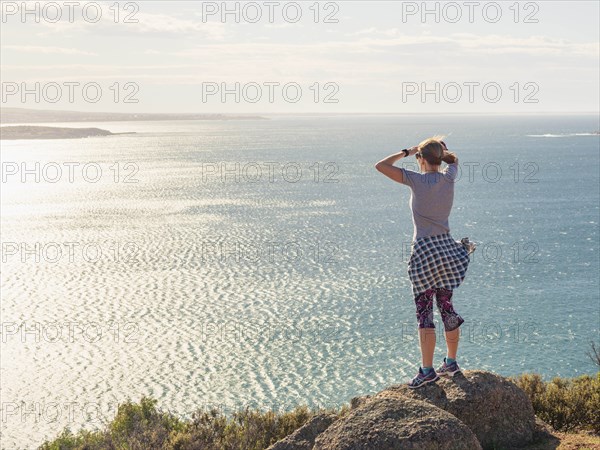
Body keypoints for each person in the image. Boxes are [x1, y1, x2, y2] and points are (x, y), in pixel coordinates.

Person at [375, 135, 476, 389]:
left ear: (420, 159)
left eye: (419, 156)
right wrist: (441, 150)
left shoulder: (415, 180)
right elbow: (453, 160)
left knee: (424, 312)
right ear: (439, 158)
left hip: (424, 252)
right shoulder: (449, 176)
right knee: (446, 307)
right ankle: (451, 363)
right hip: (446, 250)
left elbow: (381, 166)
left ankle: (427, 370)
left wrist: (406, 151)